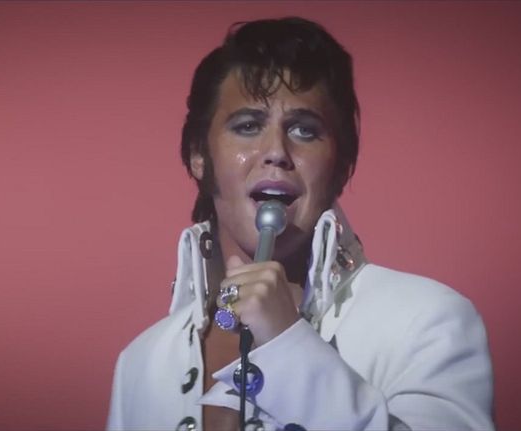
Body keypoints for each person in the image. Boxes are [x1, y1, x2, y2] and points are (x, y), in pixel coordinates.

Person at [106, 17, 493, 431]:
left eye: (305, 130)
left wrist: (286, 344)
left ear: (341, 166)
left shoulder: (428, 321)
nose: (276, 151)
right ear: (200, 156)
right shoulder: (142, 362)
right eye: (248, 126)